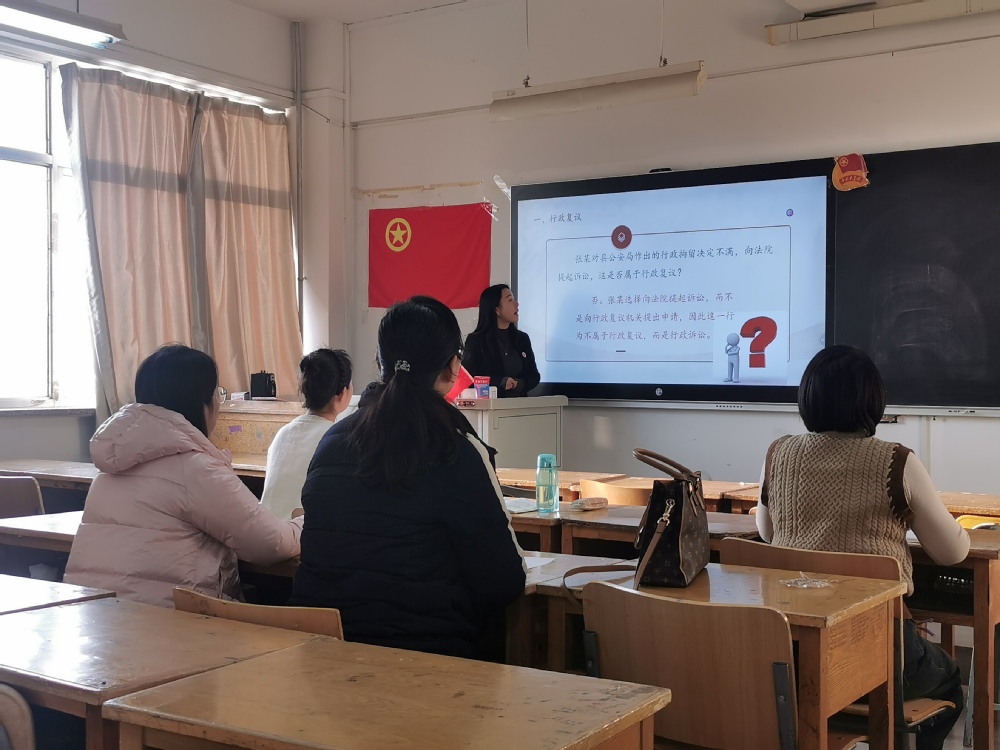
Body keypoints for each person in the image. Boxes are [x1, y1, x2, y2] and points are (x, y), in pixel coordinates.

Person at [756, 345, 969, 750]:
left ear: (807, 398)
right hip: (876, 651)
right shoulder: (895, 461)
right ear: (874, 400)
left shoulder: (778, 454)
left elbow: (767, 533)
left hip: (790, 647)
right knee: (949, 679)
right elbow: (951, 553)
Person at [290, 296, 526, 659]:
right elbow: (505, 582)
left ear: (379, 362)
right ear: (453, 368)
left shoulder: (332, 441)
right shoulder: (457, 449)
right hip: (428, 663)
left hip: (323, 659)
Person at [65, 344, 302, 607]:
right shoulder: (195, 470)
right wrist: (307, 523)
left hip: (96, 613)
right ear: (200, 402)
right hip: (166, 619)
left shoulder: (113, 464)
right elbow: (271, 545)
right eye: (217, 394)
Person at [260, 349, 353, 520]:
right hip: (300, 533)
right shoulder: (336, 439)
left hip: (266, 531)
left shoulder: (283, 433)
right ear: (342, 393)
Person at [462, 284, 540, 398]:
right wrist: (500, 382)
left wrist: (520, 383)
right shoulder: (476, 340)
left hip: (520, 405)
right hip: (491, 405)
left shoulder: (522, 339)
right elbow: (468, 378)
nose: (516, 304)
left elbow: (534, 376)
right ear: (497, 310)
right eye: (510, 300)